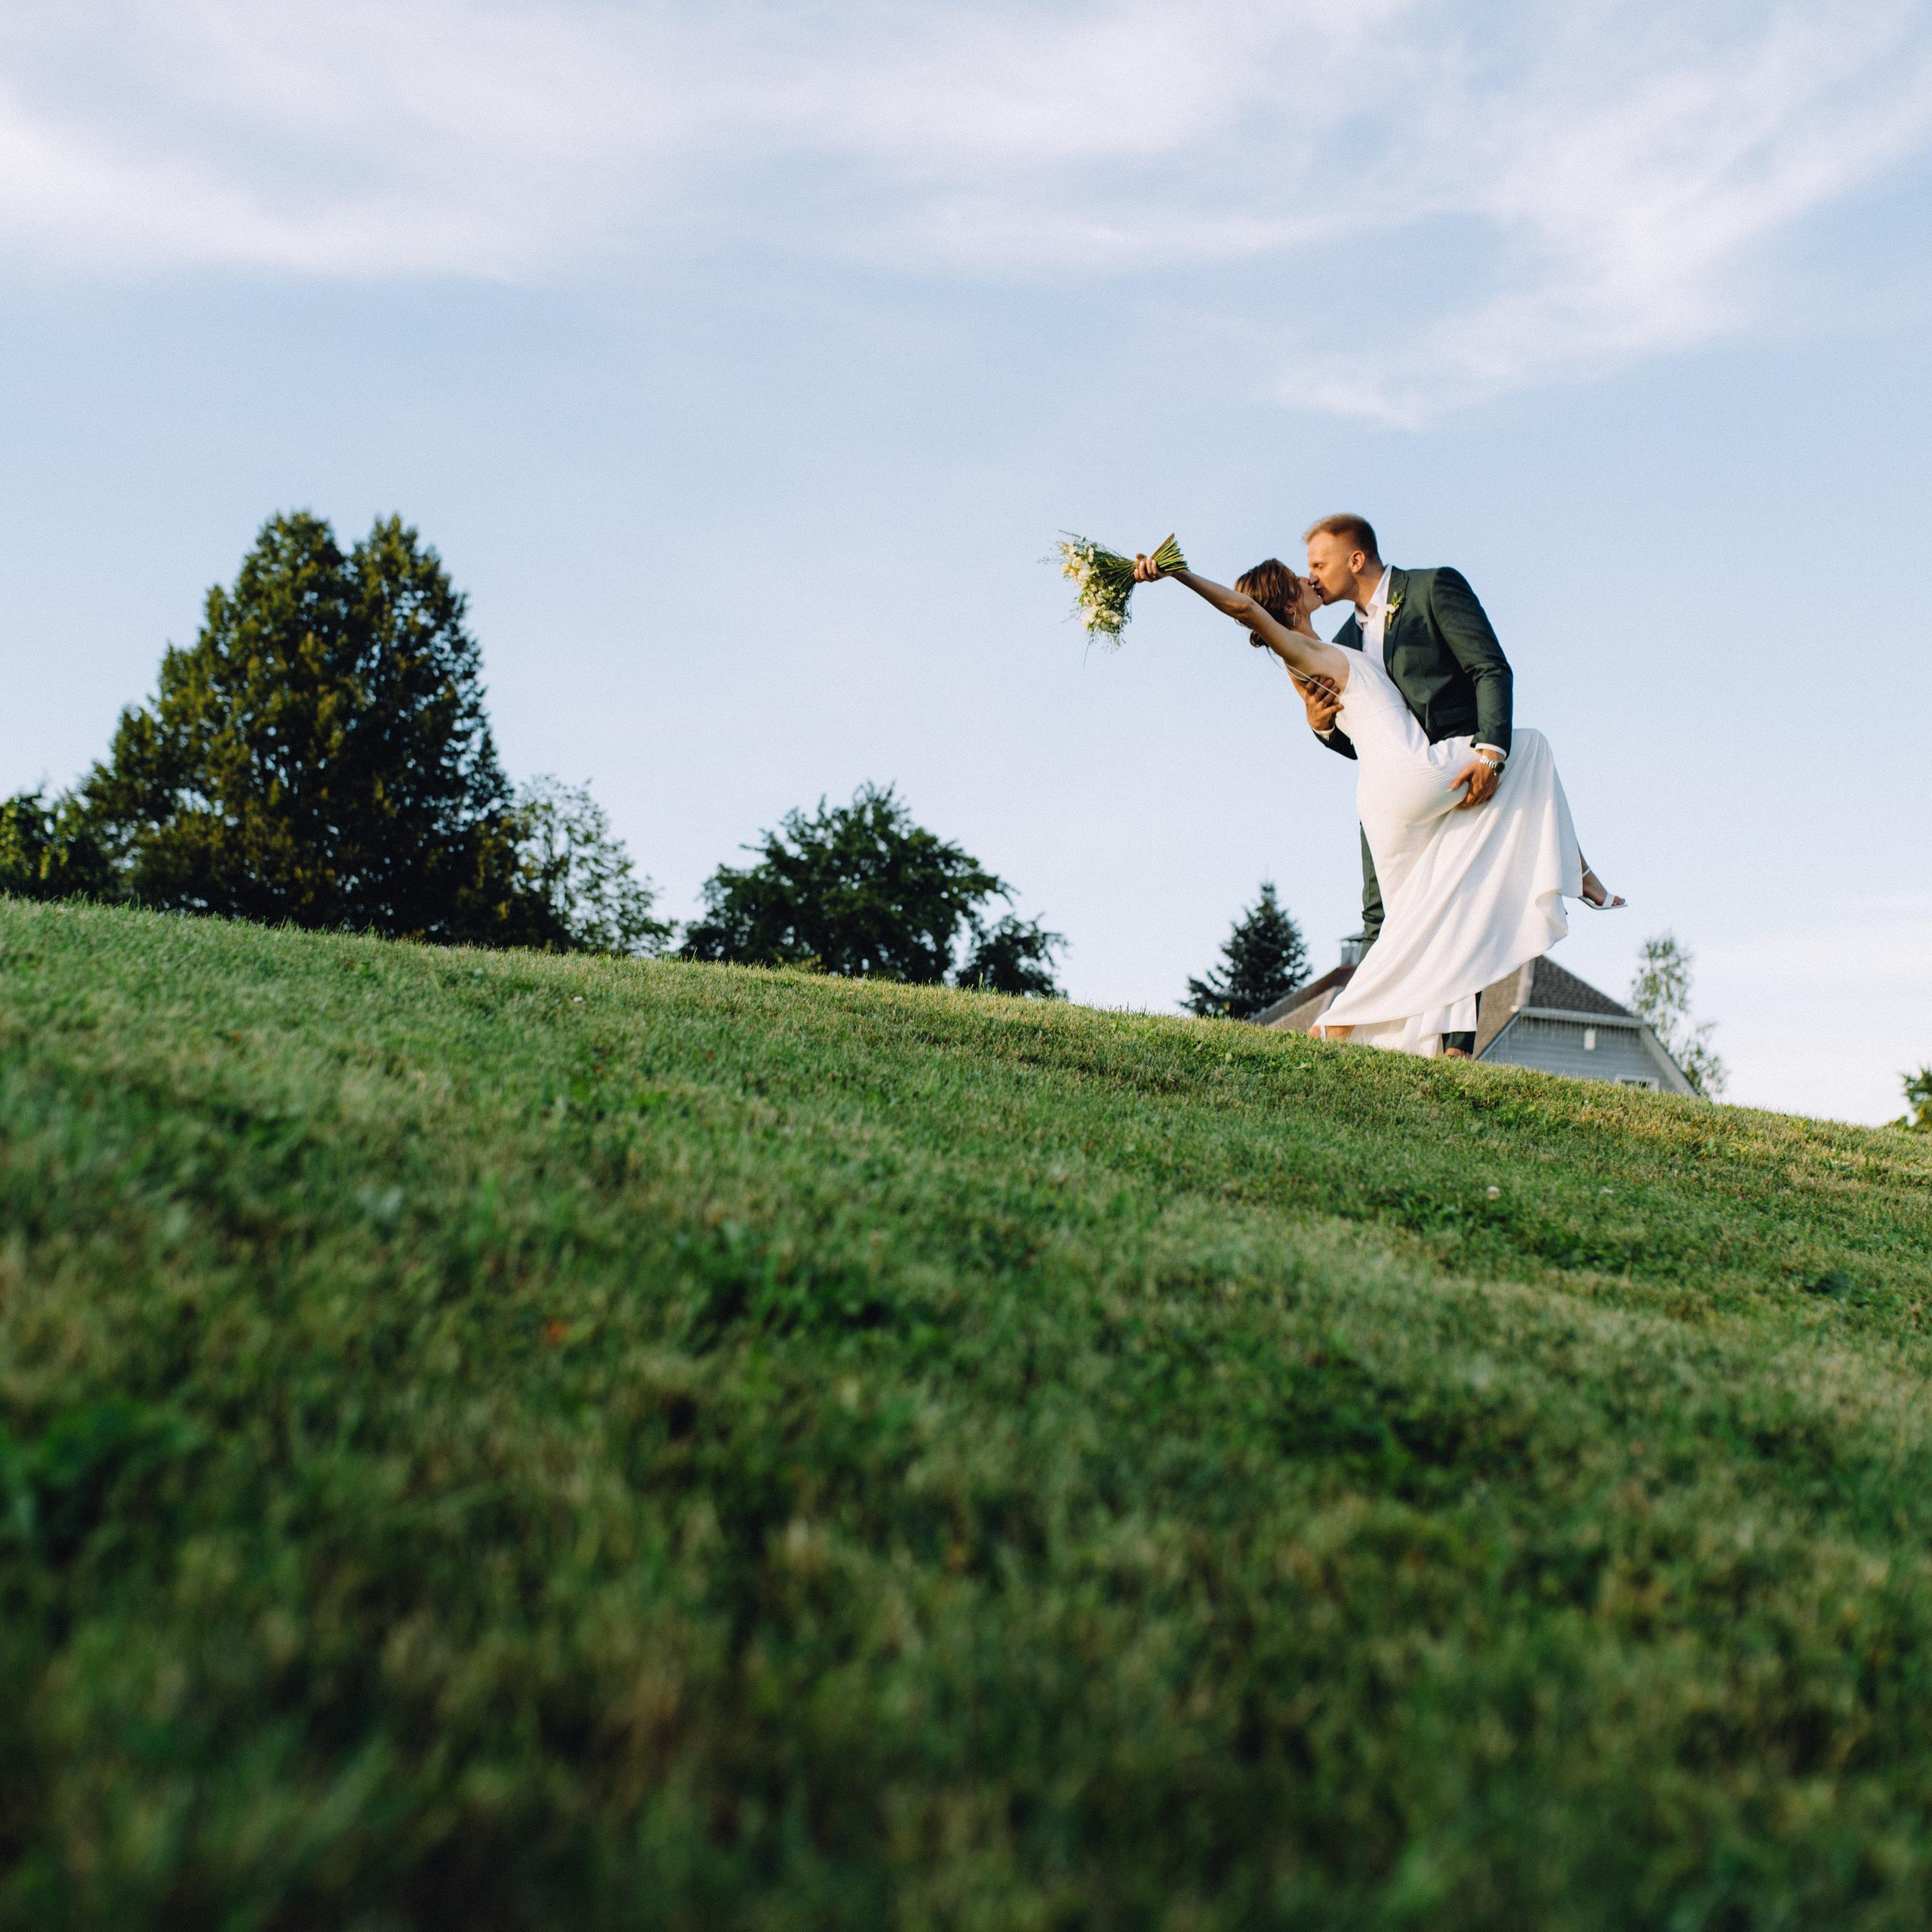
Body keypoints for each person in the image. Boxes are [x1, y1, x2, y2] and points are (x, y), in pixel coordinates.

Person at [1132, 546, 1623, 1060]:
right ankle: (1576, 872)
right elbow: (1245, 610)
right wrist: (1177, 573)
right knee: (1530, 748)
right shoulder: (1299, 650)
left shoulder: (1314, 651)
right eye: (1296, 578)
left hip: (1384, 796)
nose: (1308, 578)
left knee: (1424, 913)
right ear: (1289, 605)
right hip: (1412, 774)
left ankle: (1350, 1028)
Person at [1294, 515, 1512, 1052]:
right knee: (1379, 913)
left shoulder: (1433, 588)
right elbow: (1363, 738)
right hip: (1392, 795)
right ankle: (1360, 1036)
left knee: (1460, 906)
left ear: (1356, 559)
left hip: (1461, 776)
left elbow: (1490, 668)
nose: (1313, 577)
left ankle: (1457, 1047)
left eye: (1319, 564)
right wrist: (1321, 726)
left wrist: (1491, 752)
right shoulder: (1343, 642)